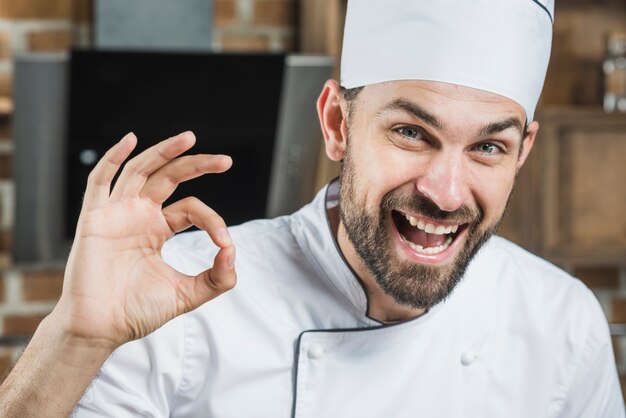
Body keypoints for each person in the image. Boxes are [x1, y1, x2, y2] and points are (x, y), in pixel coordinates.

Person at [1, 0, 624, 416]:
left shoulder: (561, 323)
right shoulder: (173, 293)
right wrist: (76, 336)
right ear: (337, 125)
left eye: (488, 146)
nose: (447, 191)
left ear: (522, 153)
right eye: (411, 133)